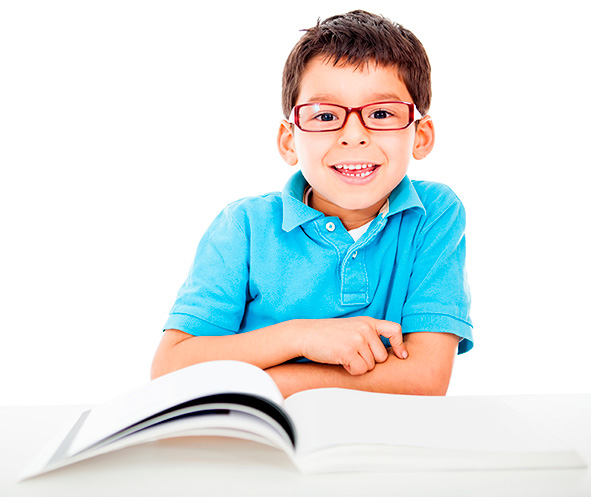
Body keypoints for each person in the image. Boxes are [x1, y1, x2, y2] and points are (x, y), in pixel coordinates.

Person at [151, 10, 473, 397]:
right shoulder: (244, 226)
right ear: (289, 141)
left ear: (420, 135)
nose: (354, 135)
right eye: (325, 115)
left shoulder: (433, 213)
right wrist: (301, 337)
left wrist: (268, 382)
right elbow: (171, 369)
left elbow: (425, 378)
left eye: (382, 113)